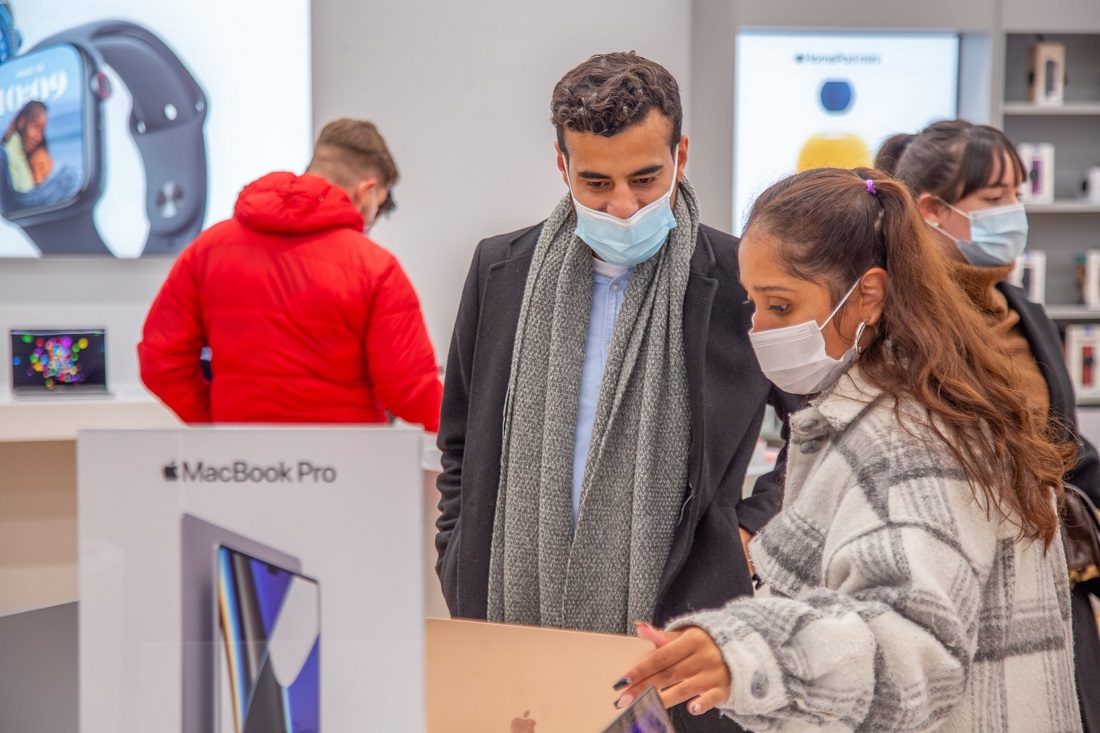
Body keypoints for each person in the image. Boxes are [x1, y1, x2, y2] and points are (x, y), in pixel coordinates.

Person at [613, 167, 1080, 732]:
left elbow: (912, 649)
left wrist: (751, 656)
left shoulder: (912, 441)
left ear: (868, 296)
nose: (758, 328)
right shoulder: (902, 410)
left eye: (780, 306)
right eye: (753, 304)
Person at [434, 51, 793, 731]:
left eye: (645, 178)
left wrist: (752, 530)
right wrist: (458, 557)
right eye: (595, 181)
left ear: (681, 154)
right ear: (561, 164)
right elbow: (460, 442)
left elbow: (817, 425)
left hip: (683, 629)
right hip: (510, 628)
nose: (622, 205)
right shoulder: (499, 270)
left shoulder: (737, 275)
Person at [880, 119, 1100, 732]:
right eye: (995, 199)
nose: (1014, 213)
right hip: (956, 589)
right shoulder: (905, 324)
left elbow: (1061, 442)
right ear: (933, 210)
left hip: (1054, 581)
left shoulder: (1024, 310)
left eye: (1017, 196)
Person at [139, 118, 442, 430]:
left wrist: (215, 423)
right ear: (366, 193)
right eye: (377, 210)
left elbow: (160, 360)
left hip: (239, 465)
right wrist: (473, 433)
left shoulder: (207, 250)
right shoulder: (375, 267)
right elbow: (411, 390)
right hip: (347, 465)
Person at [3, 101, 51, 192]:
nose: (38, 136)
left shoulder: (28, 156)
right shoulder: (9, 159)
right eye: (35, 127)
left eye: (42, 130)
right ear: (22, 122)